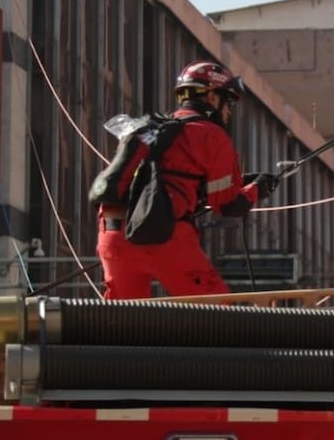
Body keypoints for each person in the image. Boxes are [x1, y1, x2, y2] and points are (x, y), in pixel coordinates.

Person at [94, 60, 280, 299]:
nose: (228, 111)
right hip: (165, 236)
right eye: (228, 102)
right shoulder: (211, 135)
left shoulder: (152, 129)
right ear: (212, 97)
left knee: (122, 322)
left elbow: (171, 179)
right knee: (214, 313)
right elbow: (228, 204)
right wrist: (257, 188)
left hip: (113, 235)